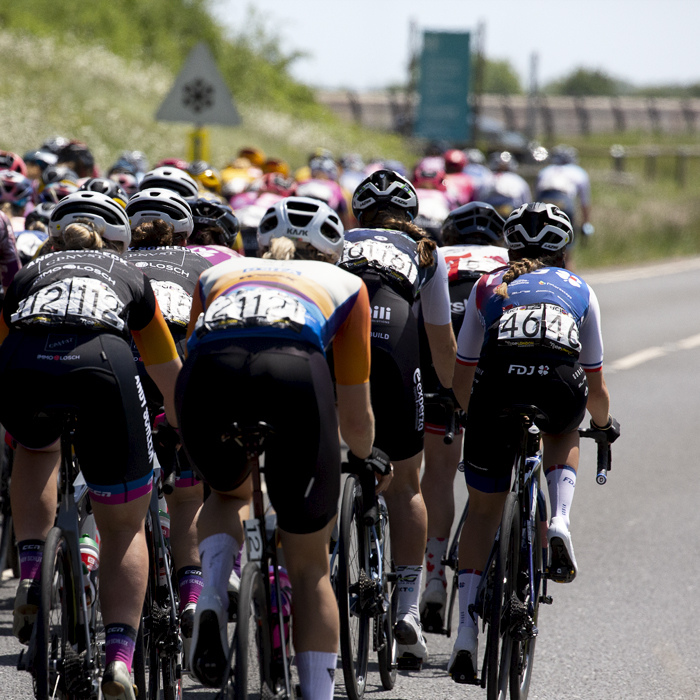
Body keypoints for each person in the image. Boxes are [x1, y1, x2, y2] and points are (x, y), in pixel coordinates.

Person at [177, 196, 378, 700]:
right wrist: (366, 453)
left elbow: (189, 352)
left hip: (209, 374)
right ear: (332, 254)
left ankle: (211, 601)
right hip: (292, 372)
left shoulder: (221, 274)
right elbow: (355, 416)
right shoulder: (349, 285)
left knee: (225, 493)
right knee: (310, 567)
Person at [0, 191, 182, 700]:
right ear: (116, 241)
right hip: (103, 362)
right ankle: (120, 658)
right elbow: (167, 371)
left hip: (23, 362)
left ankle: (32, 571)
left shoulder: (28, 275)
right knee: (123, 526)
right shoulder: (130, 275)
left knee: (37, 450)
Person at [447, 202, 620, 682]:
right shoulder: (580, 289)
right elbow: (597, 386)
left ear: (510, 248)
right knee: (565, 426)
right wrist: (603, 426)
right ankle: (560, 521)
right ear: (564, 252)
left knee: (482, 510)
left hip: (498, 389)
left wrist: (466, 416)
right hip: (558, 389)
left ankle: (464, 630)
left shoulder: (489, 285)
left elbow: (464, 373)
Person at [341, 169, 457, 668]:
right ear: (410, 218)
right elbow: (442, 343)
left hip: (336, 348)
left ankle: (316, 563)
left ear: (358, 216)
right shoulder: (427, 253)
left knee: (324, 467)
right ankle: (408, 608)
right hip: (395, 353)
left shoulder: (340, 241)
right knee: (409, 483)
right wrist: (457, 396)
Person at [124, 188, 213, 667]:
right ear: (185, 233)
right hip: (178, 372)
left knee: (121, 500)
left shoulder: (114, 261)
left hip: (121, 374)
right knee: (188, 500)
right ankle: (193, 594)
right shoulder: (200, 265)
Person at [418, 202, 508, 632]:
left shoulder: (440, 257)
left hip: (442, 368)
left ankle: (433, 576)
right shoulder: (510, 264)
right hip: (500, 374)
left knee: (436, 472)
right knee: (494, 482)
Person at [535, 145, 593, 268]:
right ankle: (569, 280)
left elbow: (535, 197)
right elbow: (584, 203)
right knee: (567, 252)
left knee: (540, 249)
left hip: (543, 203)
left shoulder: (544, 171)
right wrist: (586, 223)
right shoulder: (579, 172)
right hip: (564, 203)